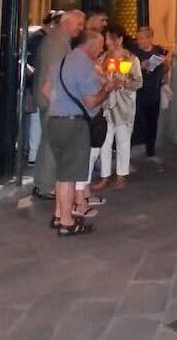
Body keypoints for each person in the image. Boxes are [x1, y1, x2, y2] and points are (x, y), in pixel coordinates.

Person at [45, 29, 121, 236]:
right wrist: (108, 88)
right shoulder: (85, 65)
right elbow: (91, 101)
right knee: (69, 176)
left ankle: (59, 214)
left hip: (54, 121)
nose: (101, 49)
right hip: (73, 124)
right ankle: (67, 223)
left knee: (62, 173)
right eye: (99, 45)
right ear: (90, 45)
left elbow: (46, 91)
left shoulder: (62, 61)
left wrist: (61, 104)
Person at [33, 10, 85, 200]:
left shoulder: (59, 39)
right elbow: (53, 72)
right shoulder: (56, 41)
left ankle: (44, 183)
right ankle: (46, 186)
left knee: (49, 143)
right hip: (53, 101)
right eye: (79, 24)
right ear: (67, 22)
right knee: (51, 144)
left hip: (53, 100)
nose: (81, 28)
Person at [91, 25, 143, 191]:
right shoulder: (103, 58)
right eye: (105, 39)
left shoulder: (130, 59)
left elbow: (138, 82)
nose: (106, 43)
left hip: (123, 105)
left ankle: (121, 174)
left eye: (109, 39)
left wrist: (124, 83)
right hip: (106, 105)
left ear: (119, 39)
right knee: (105, 142)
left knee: (123, 140)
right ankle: (105, 176)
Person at [24, 11, 62, 165]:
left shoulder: (41, 38)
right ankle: (34, 155)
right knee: (37, 119)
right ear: (53, 24)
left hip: (40, 83)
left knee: (38, 120)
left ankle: (34, 154)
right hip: (40, 84)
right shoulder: (40, 39)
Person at [132, 27, 169, 166]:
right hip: (139, 93)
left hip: (154, 92)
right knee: (139, 123)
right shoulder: (134, 53)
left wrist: (165, 62)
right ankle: (129, 154)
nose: (139, 41)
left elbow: (166, 69)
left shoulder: (158, 50)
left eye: (141, 38)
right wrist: (141, 65)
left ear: (150, 38)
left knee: (153, 123)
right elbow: (129, 69)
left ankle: (150, 152)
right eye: (138, 38)